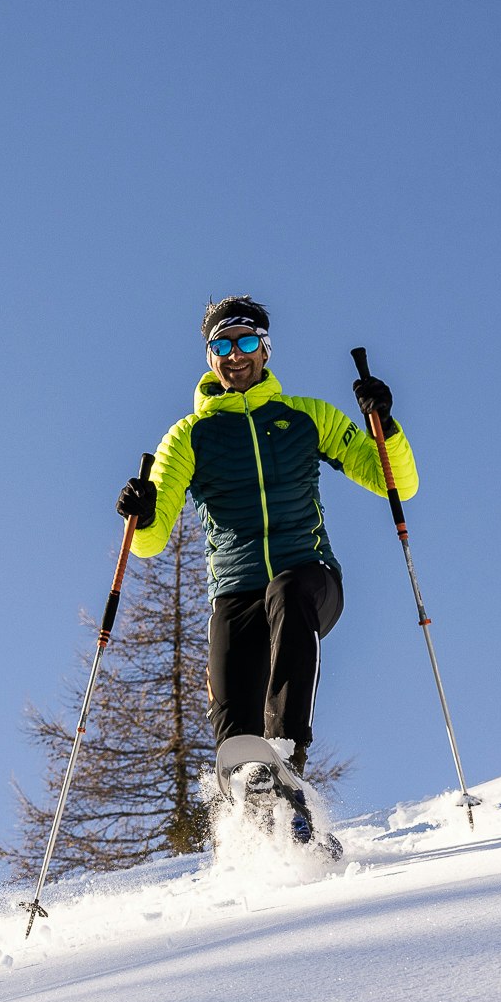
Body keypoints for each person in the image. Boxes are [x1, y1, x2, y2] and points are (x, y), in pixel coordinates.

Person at [114, 296, 418, 839]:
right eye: (222, 345)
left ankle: (285, 754)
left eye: (247, 342)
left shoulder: (306, 416)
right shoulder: (189, 436)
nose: (236, 355)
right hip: (235, 592)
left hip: (311, 578)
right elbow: (152, 541)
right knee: (234, 734)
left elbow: (394, 481)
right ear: (210, 357)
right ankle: (263, 832)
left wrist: (384, 424)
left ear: (265, 350)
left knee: (286, 591)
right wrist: (142, 511)